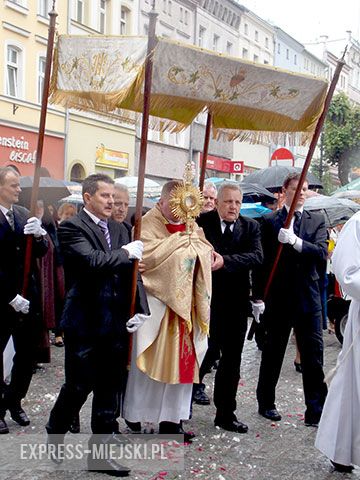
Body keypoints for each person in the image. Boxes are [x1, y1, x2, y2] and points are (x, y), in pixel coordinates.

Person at [46, 174, 149, 476]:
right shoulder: (72, 227)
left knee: (109, 390)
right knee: (78, 387)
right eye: (105, 196)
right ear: (88, 197)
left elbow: (134, 273)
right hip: (84, 321)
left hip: (115, 320)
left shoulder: (120, 228)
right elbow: (91, 261)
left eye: (114, 197)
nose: (112, 202)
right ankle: (56, 427)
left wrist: (140, 307)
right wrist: (125, 253)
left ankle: (100, 457)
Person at [123, 180, 212, 439]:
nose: (180, 210)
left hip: (186, 311)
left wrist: (205, 254)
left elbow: (203, 251)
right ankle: (138, 416)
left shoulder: (192, 226)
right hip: (157, 306)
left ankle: (172, 421)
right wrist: (182, 246)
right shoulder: (147, 224)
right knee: (148, 364)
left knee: (182, 366)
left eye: (185, 203)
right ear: (162, 202)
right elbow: (147, 258)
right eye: (174, 204)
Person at [253, 172, 328, 427]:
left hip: (308, 297)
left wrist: (296, 242)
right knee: (273, 353)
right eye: (296, 188)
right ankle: (266, 402)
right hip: (279, 298)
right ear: (284, 192)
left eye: (305, 189)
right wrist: (258, 296)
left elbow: (320, 254)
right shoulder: (269, 221)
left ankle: (315, 410)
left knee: (313, 356)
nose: (302, 193)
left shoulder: (316, 220)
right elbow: (262, 264)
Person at [196, 182, 263, 433]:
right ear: (218, 202)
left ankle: (226, 413)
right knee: (201, 354)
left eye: (237, 202)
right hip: (205, 300)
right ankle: (181, 407)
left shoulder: (251, 227)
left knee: (231, 361)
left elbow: (257, 257)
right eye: (228, 202)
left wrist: (226, 261)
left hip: (235, 303)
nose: (233, 206)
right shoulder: (201, 223)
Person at [0, 166, 48, 434]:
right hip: (3, 299)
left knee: (28, 355)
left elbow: (39, 252)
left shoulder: (21, 214)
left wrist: (39, 234)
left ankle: (13, 400)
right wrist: (9, 296)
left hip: (27, 297)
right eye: (13, 185)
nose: (19, 190)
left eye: (19, 185)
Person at [315, 211, 360, 473]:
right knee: (352, 384)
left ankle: (342, 449)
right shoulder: (357, 224)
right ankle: (341, 450)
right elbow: (348, 272)